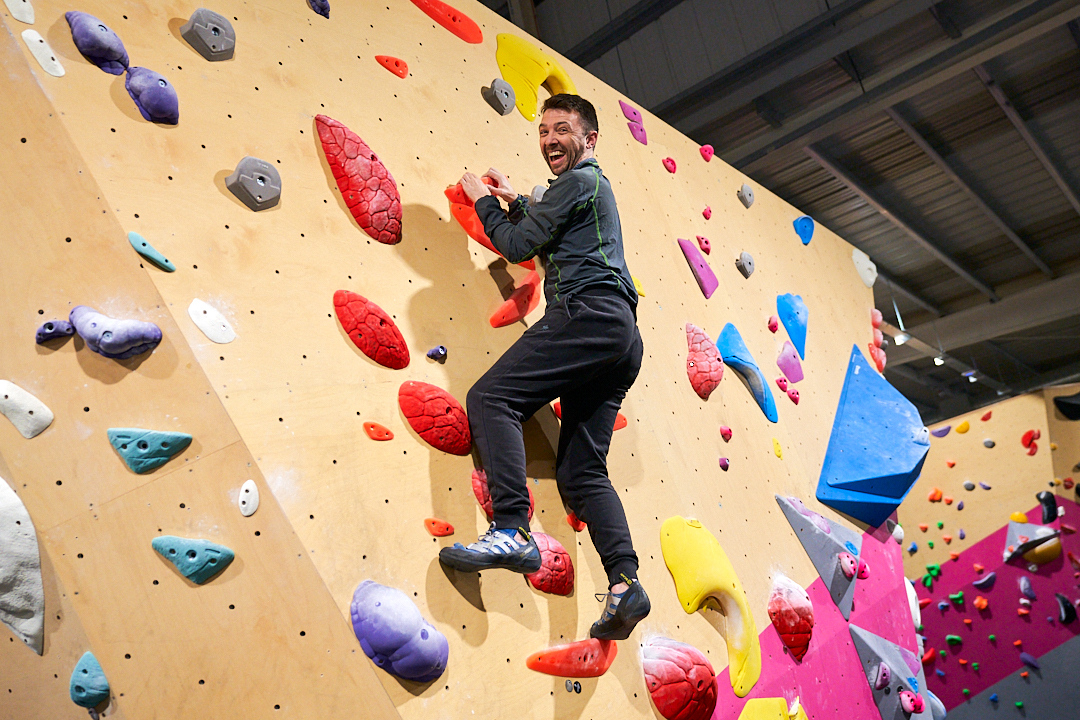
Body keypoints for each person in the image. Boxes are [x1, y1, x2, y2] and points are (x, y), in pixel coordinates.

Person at [438, 94, 649, 640]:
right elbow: (547, 237)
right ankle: (626, 583)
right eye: (543, 131)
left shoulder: (581, 182)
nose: (550, 139)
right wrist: (516, 202)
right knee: (582, 473)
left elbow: (515, 246)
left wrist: (483, 201)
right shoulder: (584, 191)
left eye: (562, 130)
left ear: (591, 140)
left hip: (590, 315)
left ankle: (511, 528)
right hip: (620, 338)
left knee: (491, 398)